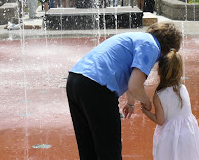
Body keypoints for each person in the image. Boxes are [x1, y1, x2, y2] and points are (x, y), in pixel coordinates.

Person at [66, 22, 182, 159]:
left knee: (88, 150)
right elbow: (135, 85)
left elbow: (131, 76)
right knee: (109, 152)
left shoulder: (138, 38)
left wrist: (130, 102)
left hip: (75, 80)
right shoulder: (151, 46)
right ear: (168, 50)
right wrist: (146, 102)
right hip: (97, 87)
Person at [141, 49, 199, 160]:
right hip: (189, 132)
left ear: (159, 71)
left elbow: (160, 120)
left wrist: (145, 111)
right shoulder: (183, 88)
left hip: (171, 136)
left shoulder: (159, 95)